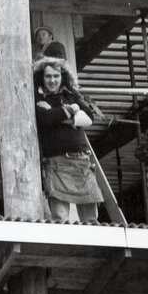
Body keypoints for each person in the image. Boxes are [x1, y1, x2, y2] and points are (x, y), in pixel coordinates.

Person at [34, 57, 103, 222]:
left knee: (91, 220)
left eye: (56, 76)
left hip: (82, 161)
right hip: (56, 162)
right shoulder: (37, 96)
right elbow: (44, 118)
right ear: (41, 77)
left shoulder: (71, 93)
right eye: (48, 76)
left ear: (62, 76)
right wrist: (70, 110)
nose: (52, 80)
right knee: (60, 218)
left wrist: (58, 114)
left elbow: (89, 117)